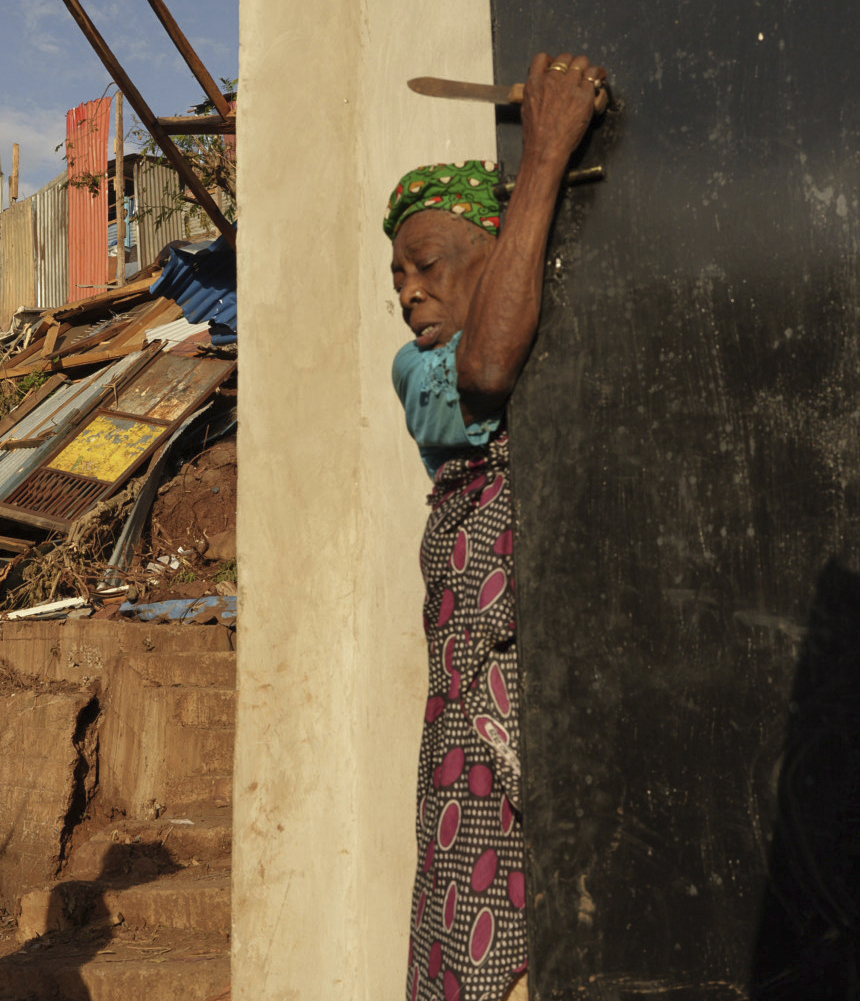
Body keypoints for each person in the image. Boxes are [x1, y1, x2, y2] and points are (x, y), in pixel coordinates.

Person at [384, 52, 608, 1001]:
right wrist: (547, 154)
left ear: (496, 252)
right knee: (478, 892)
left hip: (564, 670)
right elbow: (489, 369)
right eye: (398, 274)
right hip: (479, 697)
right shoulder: (421, 372)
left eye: (428, 264)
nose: (408, 291)